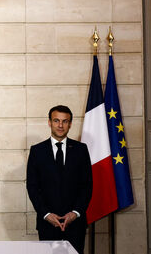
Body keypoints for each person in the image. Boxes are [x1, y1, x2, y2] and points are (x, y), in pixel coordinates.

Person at [26, 105, 93, 253]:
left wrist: (75, 213)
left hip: (75, 223)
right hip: (47, 223)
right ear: (49, 122)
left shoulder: (81, 150)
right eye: (56, 121)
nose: (60, 125)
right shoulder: (37, 151)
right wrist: (46, 214)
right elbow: (32, 186)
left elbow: (87, 185)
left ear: (70, 124)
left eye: (65, 121)